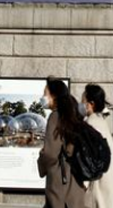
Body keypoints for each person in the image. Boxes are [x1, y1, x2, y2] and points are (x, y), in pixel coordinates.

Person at [38, 78, 89, 208]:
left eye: (45, 93)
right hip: (75, 185)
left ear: (54, 96)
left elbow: (50, 153)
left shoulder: (55, 116)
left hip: (61, 184)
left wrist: (41, 163)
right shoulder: (72, 115)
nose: (43, 97)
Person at [82, 84, 113, 208]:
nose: (81, 104)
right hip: (109, 182)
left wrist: (83, 185)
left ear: (91, 103)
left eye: (83, 100)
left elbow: (87, 159)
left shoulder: (91, 124)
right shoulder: (101, 122)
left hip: (98, 184)